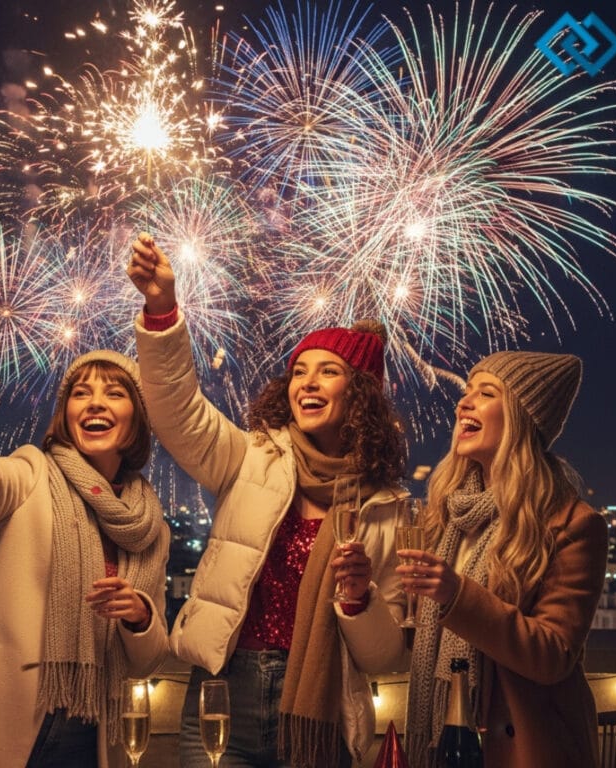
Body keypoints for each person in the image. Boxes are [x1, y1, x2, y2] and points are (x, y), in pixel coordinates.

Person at [128, 232, 410, 768]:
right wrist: (162, 310)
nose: (307, 382)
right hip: (223, 691)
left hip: (320, 709)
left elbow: (385, 654)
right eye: (299, 371)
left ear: (361, 392)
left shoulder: (387, 507)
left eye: (328, 371)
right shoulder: (250, 456)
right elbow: (178, 412)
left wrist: (358, 599)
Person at [0, 341, 171, 768]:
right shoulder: (32, 475)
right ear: (66, 414)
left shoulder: (151, 524)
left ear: (137, 421)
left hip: (93, 729)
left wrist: (140, 616)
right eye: (80, 393)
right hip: (0, 709)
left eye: (114, 393)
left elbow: (148, 662)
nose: (95, 403)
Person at [398, 351, 607, 768]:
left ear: (522, 420)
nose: (464, 402)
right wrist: (359, 598)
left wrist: (459, 595)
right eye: (466, 392)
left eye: (486, 393)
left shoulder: (572, 525)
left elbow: (553, 655)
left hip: (521, 749)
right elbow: (418, 632)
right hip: (444, 742)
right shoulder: (446, 516)